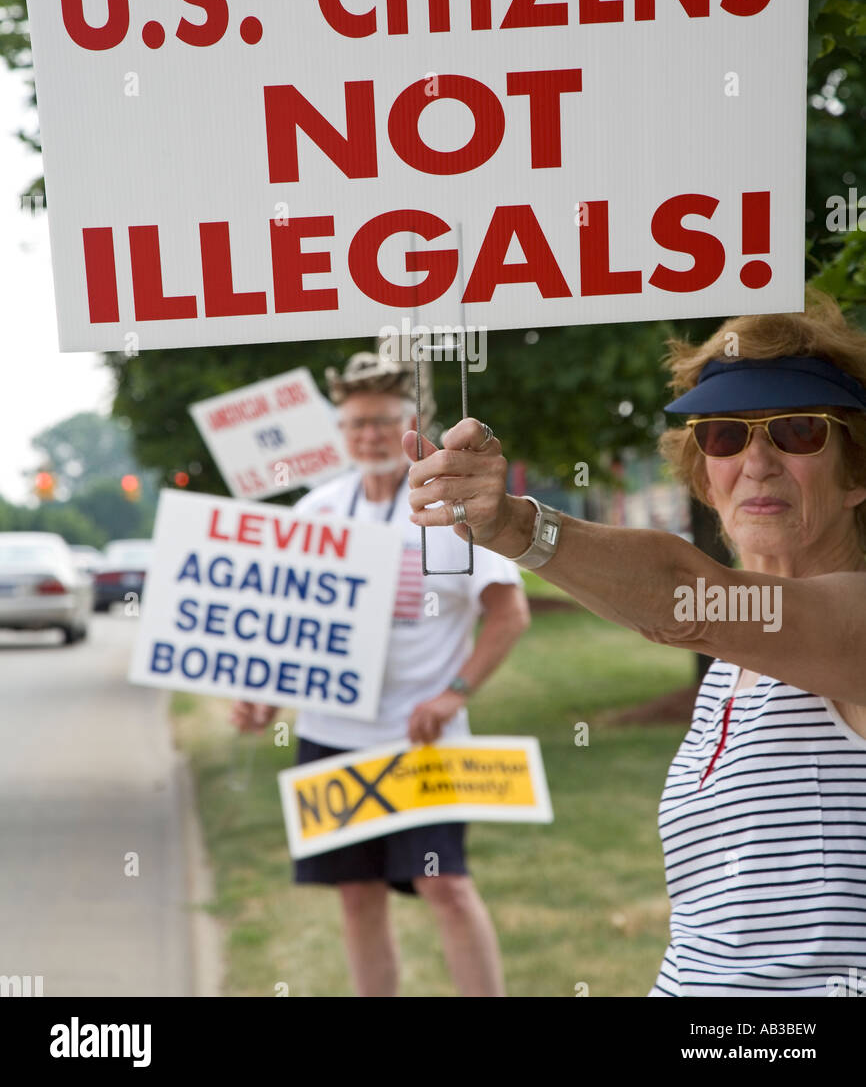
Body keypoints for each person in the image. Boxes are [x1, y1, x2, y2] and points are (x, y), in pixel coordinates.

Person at [404, 291, 866, 997]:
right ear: (704, 474)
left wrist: (516, 528)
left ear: (857, 472)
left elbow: (682, 594)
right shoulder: (732, 669)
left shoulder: (850, 624)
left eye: (799, 431)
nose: (758, 461)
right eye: (725, 435)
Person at [231, 352, 530, 998]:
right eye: (356, 423)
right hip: (331, 735)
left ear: (410, 423)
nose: (368, 435)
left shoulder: (447, 511)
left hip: (424, 741)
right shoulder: (316, 511)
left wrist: (454, 696)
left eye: (382, 422)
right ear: (340, 431)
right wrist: (263, 698)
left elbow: (510, 615)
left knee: (444, 886)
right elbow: (294, 628)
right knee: (357, 898)